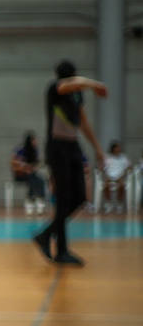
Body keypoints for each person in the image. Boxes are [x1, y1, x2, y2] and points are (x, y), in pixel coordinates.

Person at [34, 60, 108, 265]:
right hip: (57, 147)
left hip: (73, 147)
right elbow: (69, 84)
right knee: (64, 198)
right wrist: (95, 85)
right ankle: (62, 250)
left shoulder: (77, 94)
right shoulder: (56, 88)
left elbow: (83, 123)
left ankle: (46, 234)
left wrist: (98, 149)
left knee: (80, 198)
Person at [11, 132, 47, 214]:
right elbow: (13, 163)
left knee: (40, 180)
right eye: (34, 140)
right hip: (20, 174)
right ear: (30, 141)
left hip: (31, 174)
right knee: (32, 179)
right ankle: (32, 200)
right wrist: (24, 167)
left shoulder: (35, 151)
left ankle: (37, 199)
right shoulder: (21, 149)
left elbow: (35, 166)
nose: (36, 142)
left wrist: (33, 167)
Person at [100, 141, 131, 213]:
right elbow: (102, 168)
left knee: (122, 186)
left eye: (119, 147)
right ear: (113, 148)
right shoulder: (107, 157)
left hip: (120, 177)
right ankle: (108, 204)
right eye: (117, 147)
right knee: (105, 186)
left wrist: (125, 172)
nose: (118, 149)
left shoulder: (124, 157)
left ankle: (119, 205)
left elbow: (129, 167)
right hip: (109, 177)